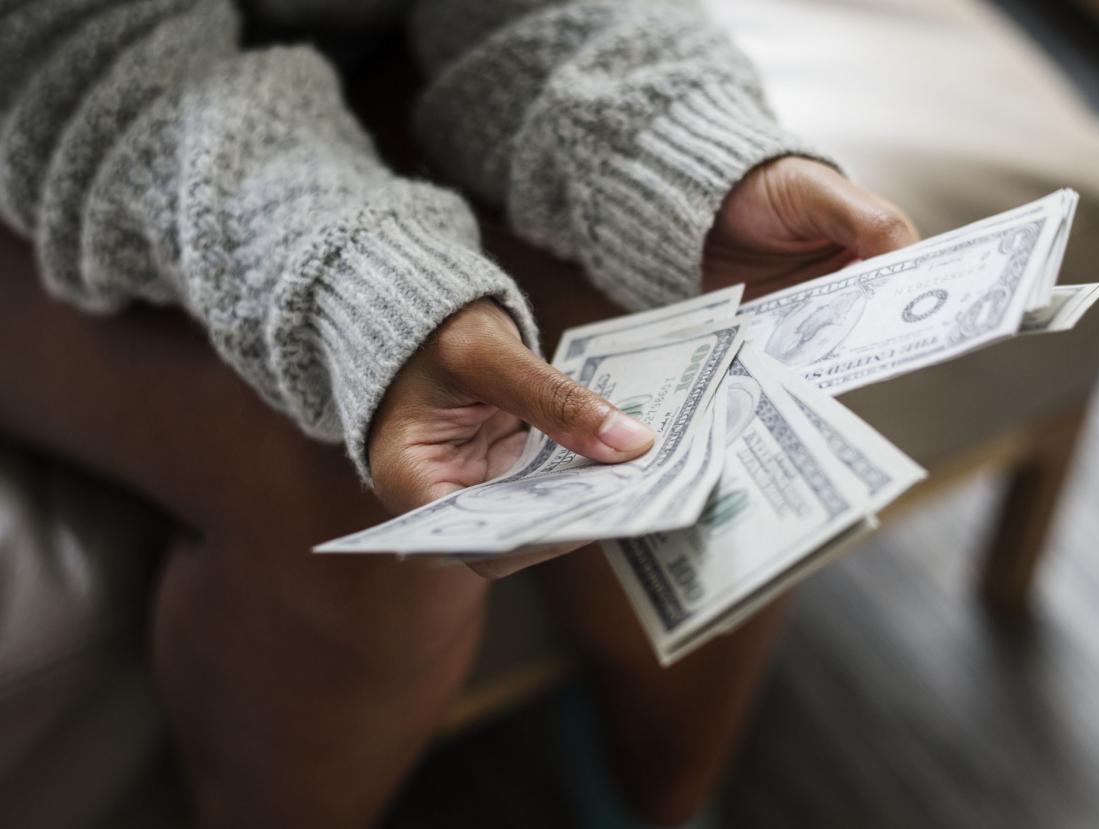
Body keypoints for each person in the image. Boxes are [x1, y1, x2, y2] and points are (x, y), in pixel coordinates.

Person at [0, 0, 917, 825]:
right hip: (44, 107)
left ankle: (664, 800)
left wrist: (684, 151)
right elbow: (72, 57)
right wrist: (369, 287)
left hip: (364, 54)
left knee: (701, 353)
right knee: (370, 503)